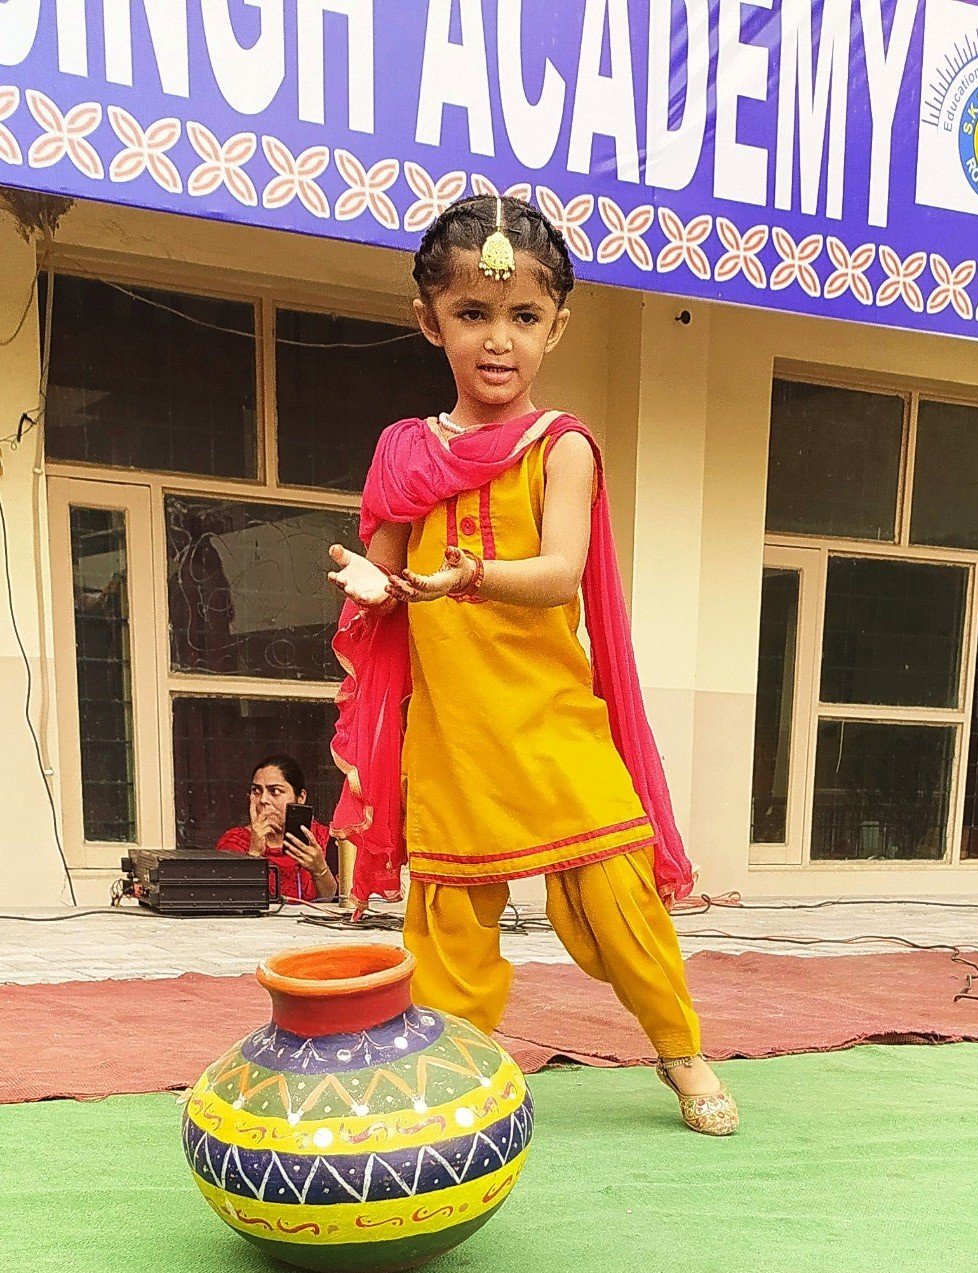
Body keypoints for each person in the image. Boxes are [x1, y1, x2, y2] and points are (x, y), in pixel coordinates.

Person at [327, 196, 737, 1135]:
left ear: (557, 325)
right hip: (454, 733)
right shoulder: (404, 451)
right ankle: (451, 1079)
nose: (498, 339)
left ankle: (681, 1052)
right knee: (450, 924)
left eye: (522, 315)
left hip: (553, 722)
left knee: (618, 895)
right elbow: (385, 573)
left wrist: (469, 577)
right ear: (428, 320)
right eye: (472, 313)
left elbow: (558, 575)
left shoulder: (561, 446)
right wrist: (369, 584)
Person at [216, 754, 337, 902]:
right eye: (256, 791)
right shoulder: (234, 843)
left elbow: (334, 902)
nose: (263, 800)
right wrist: (254, 854)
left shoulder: (321, 839)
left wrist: (320, 870)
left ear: (300, 798)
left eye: (275, 791)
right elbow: (232, 901)